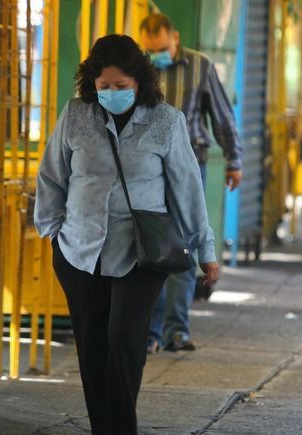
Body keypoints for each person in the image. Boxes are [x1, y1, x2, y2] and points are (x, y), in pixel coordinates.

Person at [34, 34, 218, 434]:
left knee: (124, 339)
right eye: (104, 87)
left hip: (142, 250)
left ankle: (120, 427)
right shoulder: (76, 114)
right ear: (92, 83)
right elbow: (52, 175)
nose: (113, 93)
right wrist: (51, 231)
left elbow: (187, 188)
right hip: (79, 249)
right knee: (92, 342)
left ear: (140, 81)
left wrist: (206, 249)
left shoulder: (167, 121)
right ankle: (105, 426)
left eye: (122, 86)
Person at [139, 13, 243, 354]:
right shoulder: (139, 69)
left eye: (162, 48)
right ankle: (150, 333)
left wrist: (234, 161)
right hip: (148, 170)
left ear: (176, 38)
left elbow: (223, 116)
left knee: (182, 250)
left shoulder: (201, 66)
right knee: (152, 249)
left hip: (190, 167)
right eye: (150, 50)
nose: (157, 55)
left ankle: (177, 331)